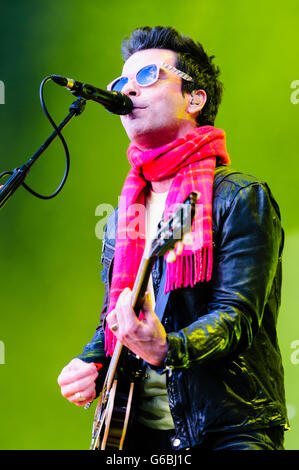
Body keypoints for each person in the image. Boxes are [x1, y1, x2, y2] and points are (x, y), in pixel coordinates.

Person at [57, 26, 289, 451]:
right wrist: (90, 359)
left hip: (226, 430)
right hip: (132, 433)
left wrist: (169, 347)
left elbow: (236, 318)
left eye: (148, 76)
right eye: (121, 82)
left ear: (194, 99)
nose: (128, 90)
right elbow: (119, 316)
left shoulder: (238, 198)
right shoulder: (120, 218)